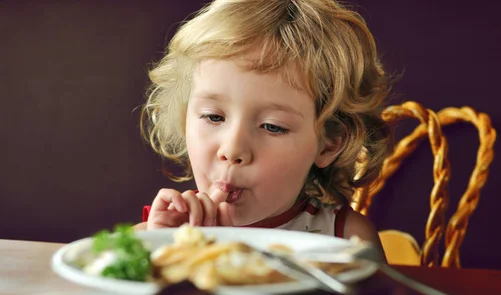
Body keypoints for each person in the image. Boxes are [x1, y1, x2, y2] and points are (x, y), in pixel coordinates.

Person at [135, 0, 394, 253]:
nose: (232, 149)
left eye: (272, 126)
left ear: (330, 144)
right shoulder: (155, 236)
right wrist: (163, 252)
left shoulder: (348, 242)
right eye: (214, 117)